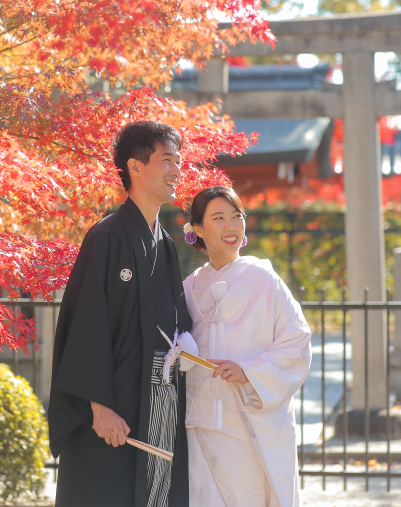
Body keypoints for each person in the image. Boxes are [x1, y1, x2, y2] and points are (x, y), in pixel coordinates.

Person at [48, 121, 193, 507]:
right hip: (112, 417)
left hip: (156, 409)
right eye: (167, 160)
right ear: (136, 166)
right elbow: (86, 326)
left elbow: (176, 328)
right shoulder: (106, 237)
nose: (177, 170)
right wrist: (98, 405)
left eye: (179, 160)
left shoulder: (165, 245)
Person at [181, 186, 312, 507]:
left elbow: (297, 340)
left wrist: (248, 371)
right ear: (198, 229)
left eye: (237, 216)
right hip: (201, 419)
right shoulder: (187, 286)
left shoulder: (264, 280)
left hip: (248, 417)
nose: (231, 226)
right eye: (219, 218)